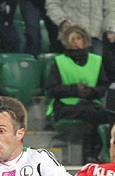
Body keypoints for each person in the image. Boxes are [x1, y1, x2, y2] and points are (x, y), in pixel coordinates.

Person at [46, 25, 110, 163]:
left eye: (78, 38)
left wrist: (91, 92)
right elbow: (52, 89)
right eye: (72, 39)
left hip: (90, 103)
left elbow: (103, 86)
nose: (75, 42)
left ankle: (97, 151)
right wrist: (75, 90)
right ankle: (91, 153)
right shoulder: (59, 61)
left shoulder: (96, 61)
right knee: (91, 113)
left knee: (105, 114)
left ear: (84, 40)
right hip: (63, 106)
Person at [45, 0, 115, 55]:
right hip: (70, 37)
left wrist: (110, 28)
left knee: (95, 70)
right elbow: (52, 4)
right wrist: (62, 21)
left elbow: (111, 9)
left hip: (95, 38)